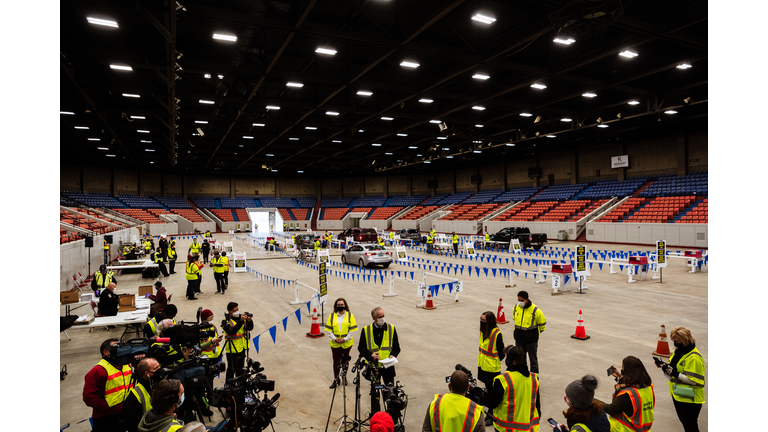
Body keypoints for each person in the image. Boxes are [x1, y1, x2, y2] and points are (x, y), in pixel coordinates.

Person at [657, 327, 705, 432]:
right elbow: (674, 367)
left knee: (690, 427)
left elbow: (693, 380)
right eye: (673, 341)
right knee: (686, 424)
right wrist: (665, 367)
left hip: (690, 398)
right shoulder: (679, 351)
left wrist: (674, 373)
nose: (675, 343)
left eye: (677, 341)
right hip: (679, 394)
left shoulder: (694, 358)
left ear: (685, 340)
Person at [83, 338, 134, 432]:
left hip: (124, 413)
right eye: (117, 348)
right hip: (106, 418)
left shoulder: (126, 365)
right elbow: (89, 398)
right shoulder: (97, 371)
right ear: (106, 352)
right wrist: (107, 408)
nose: (121, 350)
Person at [487, 346, 540, 432]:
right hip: (528, 428)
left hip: (506, 428)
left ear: (509, 360)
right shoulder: (533, 379)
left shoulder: (502, 380)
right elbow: (537, 404)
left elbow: (493, 403)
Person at [598, 356, 655, 432]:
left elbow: (611, 409)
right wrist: (619, 376)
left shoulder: (628, 394)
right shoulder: (648, 388)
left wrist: (593, 400)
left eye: (623, 369)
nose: (622, 371)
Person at [358, 307, 401, 390]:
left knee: (390, 391)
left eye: (383, 316)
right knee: (375, 392)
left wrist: (393, 355)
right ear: (374, 318)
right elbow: (361, 347)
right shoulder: (366, 330)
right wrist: (370, 355)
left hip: (388, 367)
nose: (382, 319)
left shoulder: (391, 328)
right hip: (374, 366)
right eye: (380, 317)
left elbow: (396, 347)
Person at [478, 311, 505, 426]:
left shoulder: (496, 334)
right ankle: (491, 412)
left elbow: (502, 353)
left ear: (490, 321)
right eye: (481, 319)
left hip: (492, 369)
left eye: (484, 320)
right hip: (483, 366)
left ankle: (491, 413)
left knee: (492, 393)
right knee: (489, 392)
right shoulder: (483, 331)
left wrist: (492, 361)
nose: (482, 322)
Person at [325, 297, 358, 388]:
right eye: (338, 305)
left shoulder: (350, 316)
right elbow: (329, 330)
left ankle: (344, 377)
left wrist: (345, 339)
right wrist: (335, 339)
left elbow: (351, 330)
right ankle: (336, 379)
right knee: (336, 361)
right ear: (336, 306)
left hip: (346, 343)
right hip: (335, 343)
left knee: (345, 361)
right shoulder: (332, 316)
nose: (340, 306)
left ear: (345, 305)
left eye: (342, 305)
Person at [511, 291, 546, 374]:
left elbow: (542, 324)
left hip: (531, 341)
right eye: (518, 300)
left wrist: (534, 335)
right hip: (519, 339)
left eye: (522, 301)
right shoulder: (516, 307)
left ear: (527, 300)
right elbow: (514, 318)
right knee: (521, 360)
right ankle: (523, 375)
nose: (520, 302)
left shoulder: (535, 310)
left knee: (533, 360)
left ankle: (534, 379)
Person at [122, 358, 161, 432]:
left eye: (159, 367)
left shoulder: (160, 386)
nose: (160, 370)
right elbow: (132, 426)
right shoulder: (134, 396)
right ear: (147, 374)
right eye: (156, 369)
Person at [222, 302, 254, 383]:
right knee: (231, 370)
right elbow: (231, 331)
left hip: (242, 347)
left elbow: (249, 328)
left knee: (240, 369)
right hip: (232, 349)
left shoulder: (241, 318)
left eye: (238, 310)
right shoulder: (225, 321)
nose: (237, 312)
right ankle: (228, 386)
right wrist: (241, 321)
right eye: (235, 310)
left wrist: (249, 321)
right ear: (230, 311)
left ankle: (240, 386)